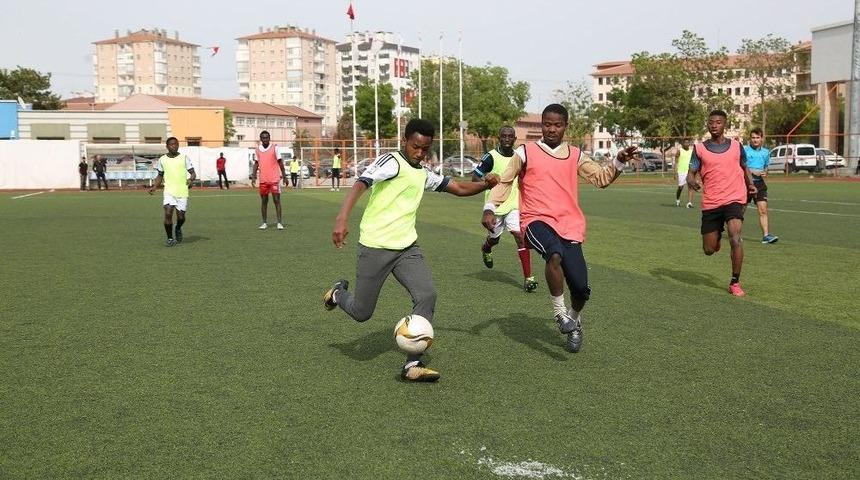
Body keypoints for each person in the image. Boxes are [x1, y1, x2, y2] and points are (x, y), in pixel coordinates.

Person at [323, 119, 499, 382]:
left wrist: (486, 184)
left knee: (427, 294)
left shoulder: (424, 173)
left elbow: (460, 188)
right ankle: (338, 294)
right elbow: (361, 183)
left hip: (407, 248)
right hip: (376, 246)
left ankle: (412, 364)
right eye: (416, 146)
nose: (420, 152)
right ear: (405, 141)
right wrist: (341, 218)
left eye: (425, 149)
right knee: (362, 312)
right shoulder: (391, 162)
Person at [482, 104, 636, 353]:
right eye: (547, 124)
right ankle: (559, 314)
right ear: (542, 125)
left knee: (581, 289)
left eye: (557, 125)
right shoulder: (525, 152)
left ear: (565, 126)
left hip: (569, 225)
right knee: (553, 253)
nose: (551, 129)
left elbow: (600, 178)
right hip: (535, 220)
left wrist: (618, 161)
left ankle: (574, 321)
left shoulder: (575, 154)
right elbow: (506, 181)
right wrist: (489, 207)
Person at [687, 110, 757, 297]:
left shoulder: (736, 146)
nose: (714, 125)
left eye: (718, 122)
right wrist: (691, 181)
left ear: (724, 124)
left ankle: (735, 281)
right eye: (711, 122)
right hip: (711, 201)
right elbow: (691, 172)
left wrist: (750, 184)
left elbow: (744, 167)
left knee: (735, 237)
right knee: (709, 250)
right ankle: (716, 239)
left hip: (735, 197)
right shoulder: (699, 148)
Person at [472, 126, 537, 292]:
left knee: (520, 236)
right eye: (504, 136)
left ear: (515, 139)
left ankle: (528, 278)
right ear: (499, 138)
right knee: (495, 239)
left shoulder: (519, 157)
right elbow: (475, 176)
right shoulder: (491, 157)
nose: (507, 139)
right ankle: (486, 248)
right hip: (495, 207)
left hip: (514, 204)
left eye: (510, 136)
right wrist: (486, 178)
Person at [148, 137, 196, 246]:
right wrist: (155, 186)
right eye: (171, 144)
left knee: (181, 218)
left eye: (176, 144)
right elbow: (160, 175)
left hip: (182, 191)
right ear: (167, 146)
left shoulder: (184, 158)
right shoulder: (162, 159)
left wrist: (190, 179)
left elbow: (193, 173)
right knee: (168, 213)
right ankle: (170, 239)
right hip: (169, 191)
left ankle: (178, 228)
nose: (174, 146)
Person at [744, 128, 778, 244]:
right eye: (753, 138)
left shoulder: (766, 152)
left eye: (757, 138)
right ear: (750, 139)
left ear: (762, 139)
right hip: (745, 183)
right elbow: (742, 167)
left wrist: (765, 172)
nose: (755, 140)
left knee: (763, 210)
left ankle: (766, 236)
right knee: (741, 210)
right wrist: (753, 172)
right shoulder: (745, 151)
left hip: (760, 184)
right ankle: (736, 233)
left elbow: (766, 167)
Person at [250, 131, 286, 230]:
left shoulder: (275, 148)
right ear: (260, 139)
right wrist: (253, 176)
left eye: (266, 138)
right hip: (263, 180)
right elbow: (256, 164)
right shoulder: (257, 150)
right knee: (264, 201)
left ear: (269, 138)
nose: (265, 139)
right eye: (263, 138)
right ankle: (264, 222)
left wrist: (284, 175)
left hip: (274, 179)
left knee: (276, 200)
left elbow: (280, 162)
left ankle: (279, 222)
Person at [675, 139, 695, 208]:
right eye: (685, 142)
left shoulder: (691, 152)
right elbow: (676, 162)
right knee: (681, 187)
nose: (687, 143)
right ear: (683, 143)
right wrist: (675, 172)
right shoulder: (679, 151)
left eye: (688, 142)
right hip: (681, 171)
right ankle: (677, 199)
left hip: (689, 171)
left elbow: (693, 162)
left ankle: (689, 203)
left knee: (690, 187)